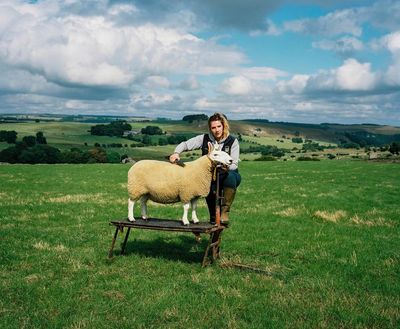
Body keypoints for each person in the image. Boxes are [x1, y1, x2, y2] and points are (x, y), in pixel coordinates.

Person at [169, 113, 241, 225]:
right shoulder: (204, 138)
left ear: (224, 126)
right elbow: (185, 144)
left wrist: (220, 165)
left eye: (219, 126)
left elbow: (234, 164)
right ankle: (213, 218)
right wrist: (176, 153)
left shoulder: (232, 141)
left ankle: (225, 212)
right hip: (210, 176)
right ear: (210, 128)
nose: (216, 130)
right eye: (213, 127)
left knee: (231, 177)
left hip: (227, 173)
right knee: (207, 186)